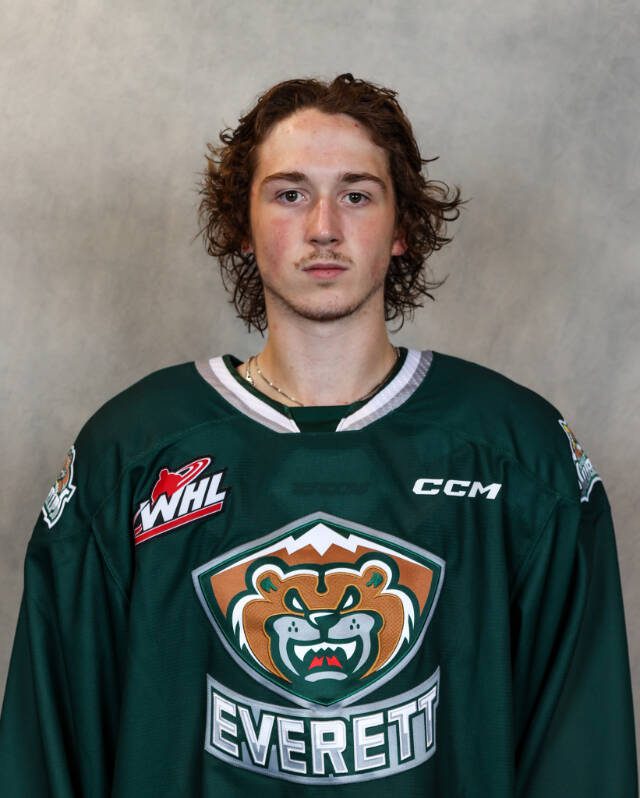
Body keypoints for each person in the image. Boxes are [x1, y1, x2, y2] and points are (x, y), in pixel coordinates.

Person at [0, 73, 636, 796]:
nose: (324, 227)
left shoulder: (520, 455)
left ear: (401, 228)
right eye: (290, 194)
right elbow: (45, 753)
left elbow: (584, 757)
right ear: (242, 225)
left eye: (357, 195)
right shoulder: (131, 452)